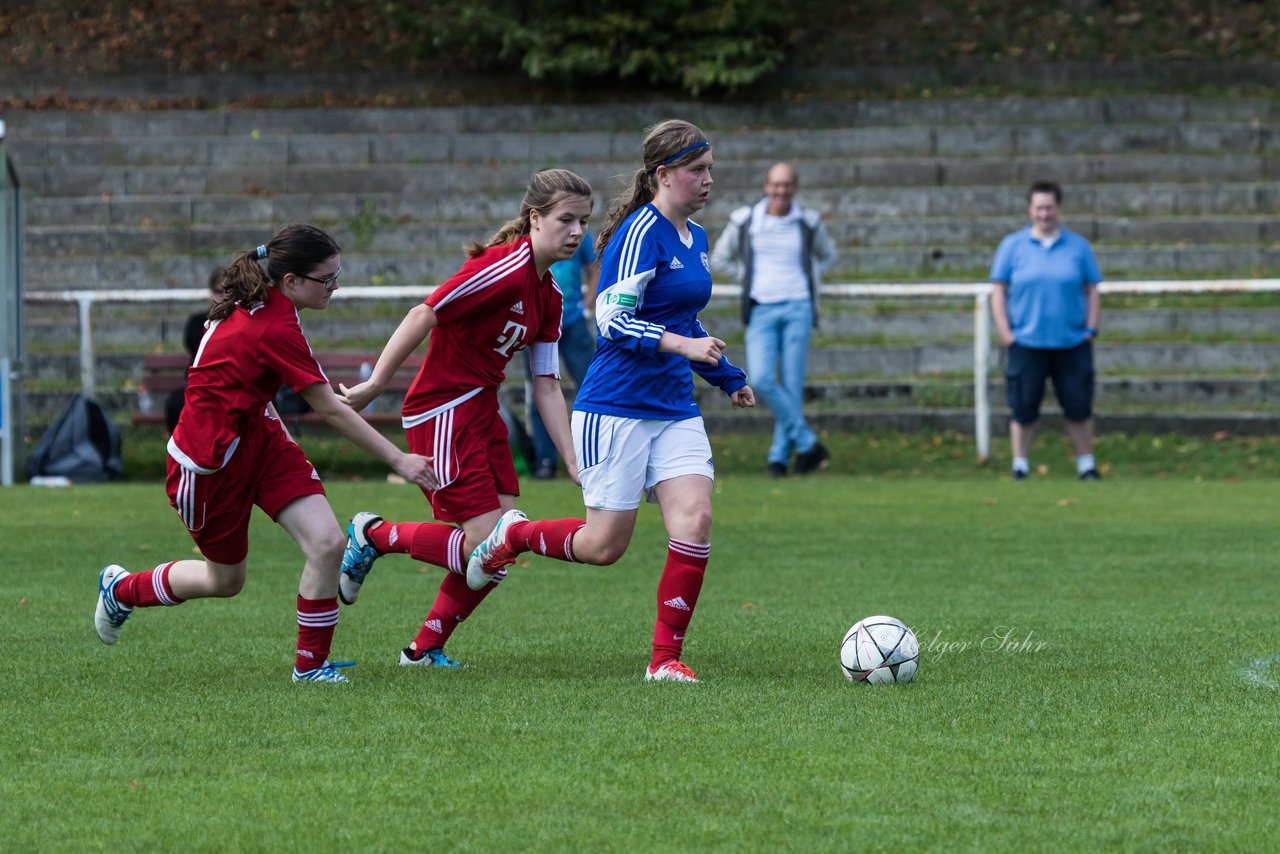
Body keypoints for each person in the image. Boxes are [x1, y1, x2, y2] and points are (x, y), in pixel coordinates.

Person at [467, 119, 756, 684]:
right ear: (663, 175)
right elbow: (612, 319)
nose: (708, 180)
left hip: (674, 406)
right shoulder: (637, 231)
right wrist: (684, 345)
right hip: (617, 405)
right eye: (697, 170)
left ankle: (664, 661)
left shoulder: (694, 238)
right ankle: (515, 534)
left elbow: (681, 317)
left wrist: (724, 373)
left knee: (694, 520)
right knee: (603, 547)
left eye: (710, 170)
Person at [93, 225, 437, 683]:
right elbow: (330, 411)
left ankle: (310, 668)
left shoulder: (273, 305)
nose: (335, 287)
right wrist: (400, 460)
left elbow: (248, 380)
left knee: (329, 543)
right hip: (207, 462)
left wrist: (277, 434)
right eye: (327, 279)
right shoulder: (272, 324)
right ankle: (123, 589)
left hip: (259, 435)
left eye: (338, 275)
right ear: (291, 280)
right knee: (225, 581)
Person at [334, 169, 592, 669]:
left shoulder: (552, 295)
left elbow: (546, 385)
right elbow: (422, 314)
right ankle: (374, 535)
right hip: (442, 410)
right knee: (489, 543)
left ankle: (424, 649)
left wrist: (573, 462)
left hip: (483, 411)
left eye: (583, 221)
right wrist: (376, 384)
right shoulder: (503, 268)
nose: (578, 232)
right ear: (534, 219)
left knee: (501, 546)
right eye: (566, 219)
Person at [711, 162, 837, 477]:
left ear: (795, 188)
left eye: (787, 185)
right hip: (761, 308)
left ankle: (779, 458)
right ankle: (808, 443)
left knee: (792, 386)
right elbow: (720, 258)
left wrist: (811, 278)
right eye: (775, 185)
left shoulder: (807, 222)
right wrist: (748, 276)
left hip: (798, 306)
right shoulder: (746, 220)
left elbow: (828, 255)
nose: (781, 191)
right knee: (763, 379)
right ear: (767, 186)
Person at [990, 180, 1103, 481]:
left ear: (1059, 208)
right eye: (1039, 208)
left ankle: (1086, 465)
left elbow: (1092, 289)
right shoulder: (1012, 246)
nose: (1044, 214)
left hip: (1071, 341)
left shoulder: (1078, 247)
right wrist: (1006, 332)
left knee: (1078, 405)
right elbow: (998, 290)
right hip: (1027, 341)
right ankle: (1020, 465)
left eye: (1049, 207)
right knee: (1023, 406)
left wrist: (1090, 329)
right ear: (1030, 209)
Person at [523, 228, 599, 479]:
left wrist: (586, 303)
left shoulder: (579, 234)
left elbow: (595, 267)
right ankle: (546, 461)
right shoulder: (528, 234)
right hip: (537, 325)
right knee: (538, 392)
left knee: (592, 388)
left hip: (572, 322)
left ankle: (595, 455)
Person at [163, 266, 224, 433]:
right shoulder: (197, 321)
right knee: (176, 404)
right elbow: (196, 345)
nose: (223, 296)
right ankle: (179, 452)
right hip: (199, 383)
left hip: (230, 385)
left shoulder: (243, 321)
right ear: (211, 292)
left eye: (229, 291)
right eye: (218, 291)